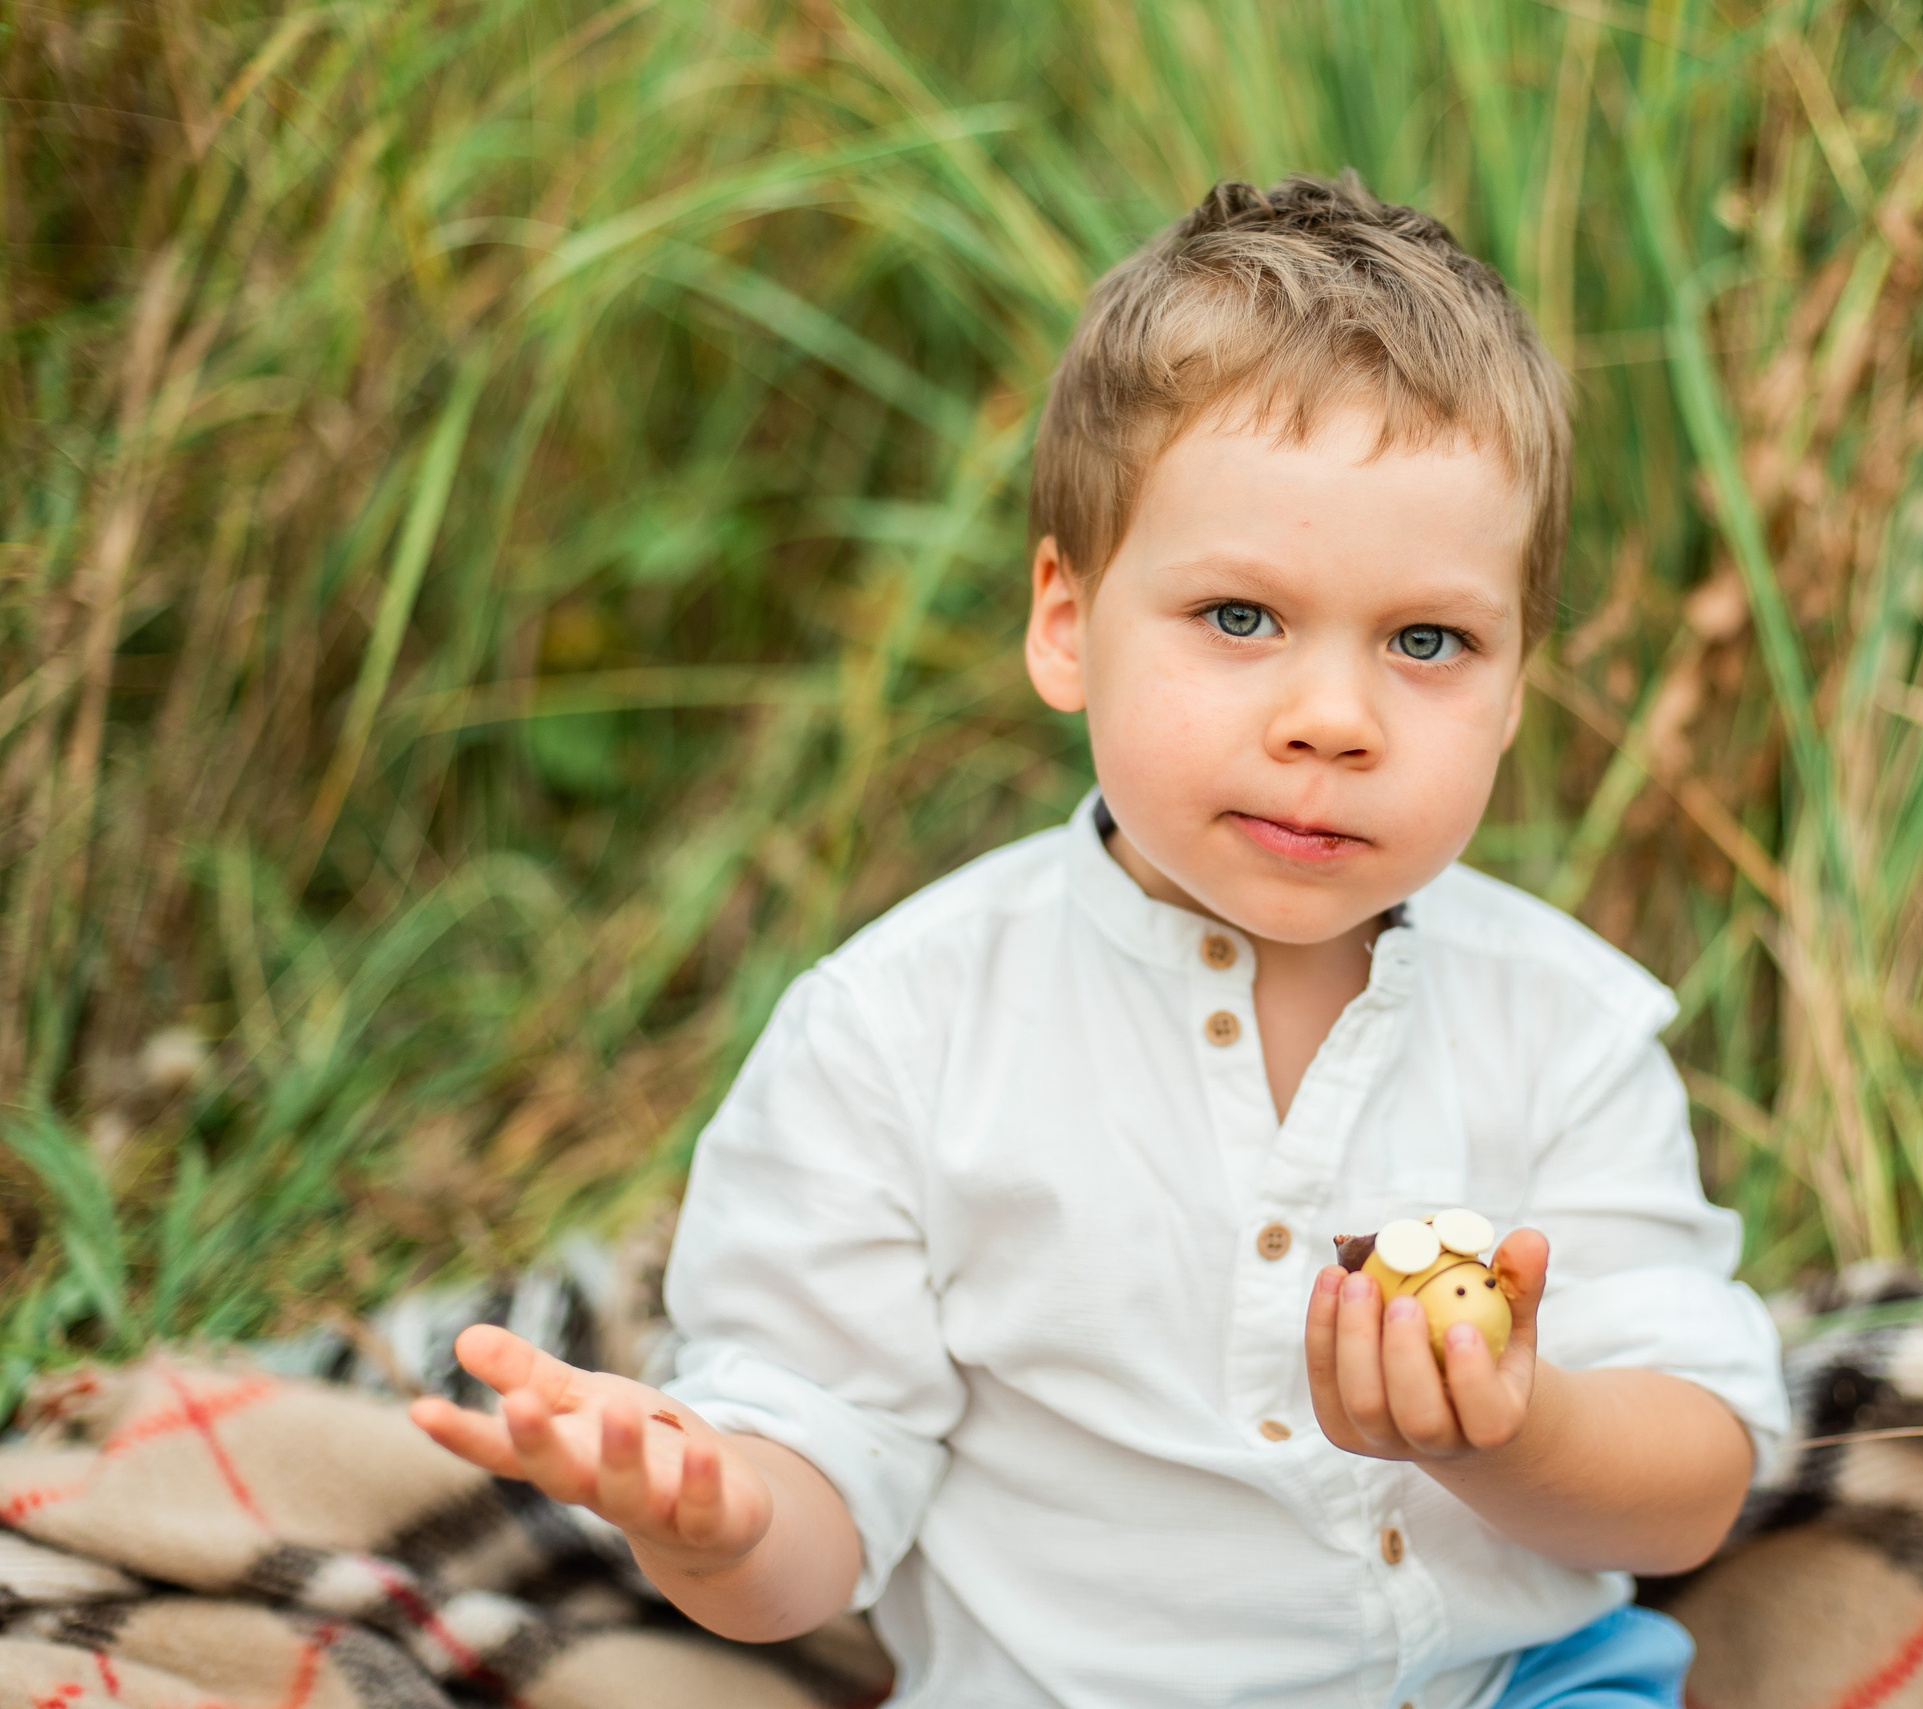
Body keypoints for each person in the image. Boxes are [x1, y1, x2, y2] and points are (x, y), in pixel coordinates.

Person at [412, 171, 1786, 1709]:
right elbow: (816, 1501)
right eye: (1242, 617)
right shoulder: (899, 1032)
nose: (1332, 720)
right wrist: (712, 1509)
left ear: (1518, 681)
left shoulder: (1566, 1024)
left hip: (1512, 1680)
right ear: (1067, 621)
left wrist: (1512, 1431)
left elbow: (1696, 1479)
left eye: (1427, 642)